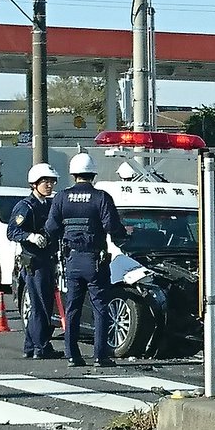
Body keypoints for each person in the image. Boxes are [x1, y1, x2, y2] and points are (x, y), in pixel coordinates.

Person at [44, 152, 133, 367]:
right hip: (95, 261)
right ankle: (100, 356)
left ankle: (72, 355)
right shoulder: (101, 197)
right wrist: (126, 233)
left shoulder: (62, 197)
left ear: (73, 174)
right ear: (93, 173)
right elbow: (112, 227)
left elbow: (50, 228)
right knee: (100, 307)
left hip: (72, 261)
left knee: (72, 307)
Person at [7, 163, 63, 359]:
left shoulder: (49, 204)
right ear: (34, 184)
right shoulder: (25, 206)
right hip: (33, 263)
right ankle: (41, 347)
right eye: (45, 182)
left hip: (48, 260)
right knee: (39, 305)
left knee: (44, 304)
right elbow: (12, 231)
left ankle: (31, 346)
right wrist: (30, 236)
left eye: (51, 182)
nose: (49, 185)